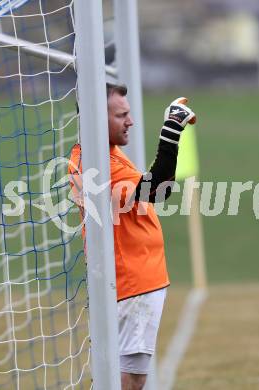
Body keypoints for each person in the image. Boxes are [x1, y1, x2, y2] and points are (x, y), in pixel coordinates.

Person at [69, 83, 195, 390]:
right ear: (96, 118)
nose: (131, 121)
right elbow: (158, 188)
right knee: (131, 377)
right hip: (133, 283)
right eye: (122, 115)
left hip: (134, 279)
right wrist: (172, 128)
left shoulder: (102, 153)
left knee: (124, 373)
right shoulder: (102, 164)